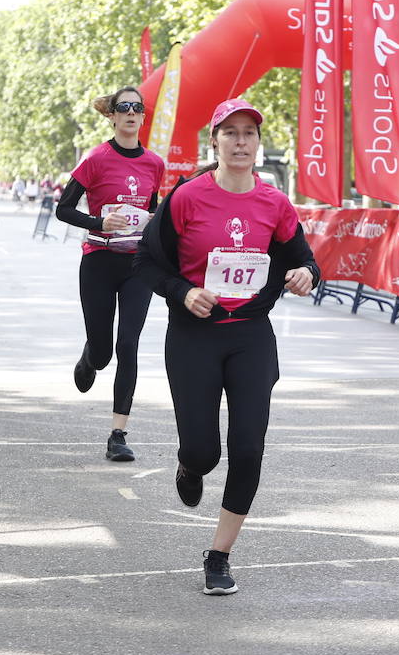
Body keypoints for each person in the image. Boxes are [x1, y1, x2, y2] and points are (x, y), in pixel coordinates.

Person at [135, 98, 320, 595]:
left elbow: (303, 259)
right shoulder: (187, 198)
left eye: (249, 134)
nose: (241, 142)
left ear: (258, 144)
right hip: (194, 335)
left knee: (248, 450)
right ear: (214, 141)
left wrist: (305, 274)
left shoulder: (275, 203)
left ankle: (219, 555)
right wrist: (184, 291)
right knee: (204, 450)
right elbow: (146, 264)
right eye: (231, 133)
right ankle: (189, 464)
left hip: (250, 336)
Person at [55, 86, 165, 463]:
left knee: (128, 345)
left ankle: (118, 433)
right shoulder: (96, 159)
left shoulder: (154, 163)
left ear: (142, 117)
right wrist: (100, 221)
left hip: (137, 265)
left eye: (138, 107)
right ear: (113, 116)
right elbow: (63, 209)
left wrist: (153, 222)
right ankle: (90, 358)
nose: (132, 113)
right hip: (99, 262)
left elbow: (151, 211)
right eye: (124, 107)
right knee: (103, 352)